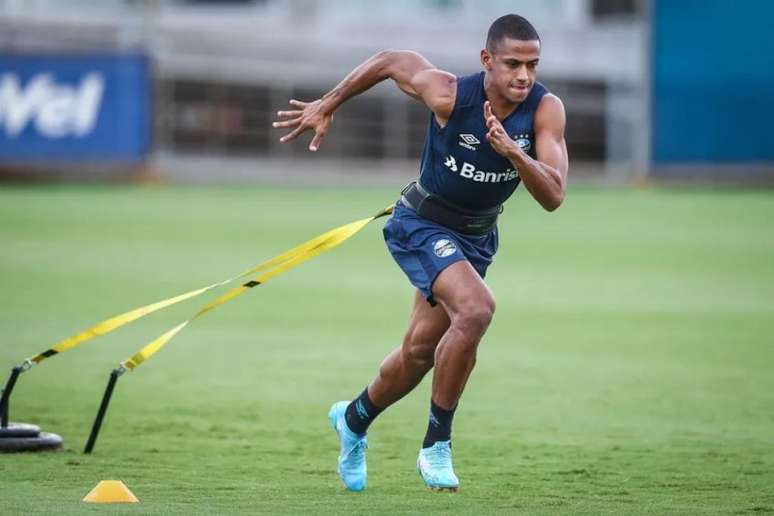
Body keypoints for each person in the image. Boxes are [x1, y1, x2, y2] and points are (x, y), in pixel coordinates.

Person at [273, 14, 568, 492]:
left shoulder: (545, 110)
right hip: (421, 223)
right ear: (486, 60)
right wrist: (329, 103)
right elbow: (392, 60)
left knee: (418, 353)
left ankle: (353, 418)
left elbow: (554, 195)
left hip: (474, 239)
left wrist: (515, 153)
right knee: (476, 310)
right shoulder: (450, 94)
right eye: (513, 63)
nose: (524, 76)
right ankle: (437, 444)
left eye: (532, 64)